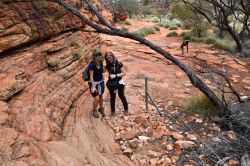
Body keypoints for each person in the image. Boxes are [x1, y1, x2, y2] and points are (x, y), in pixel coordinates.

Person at [105, 52, 128, 116]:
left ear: (113, 56)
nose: (109, 59)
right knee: (112, 97)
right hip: (112, 83)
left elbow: (124, 73)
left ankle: (126, 109)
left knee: (121, 95)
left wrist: (116, 75)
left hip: (119, 82)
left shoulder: (119, 64)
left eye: (110, 57)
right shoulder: (108, 66)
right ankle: (113, 111)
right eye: (107, 58)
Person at [88, 49, 105, 118]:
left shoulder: (100, 63)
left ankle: (101, 108)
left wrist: (107, 69)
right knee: (96, 99)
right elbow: (91, 76)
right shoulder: (91, 65)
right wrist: (93, 86)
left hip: (101, 82)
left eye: (99, 55)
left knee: (101, 96)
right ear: (94, 56)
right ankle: (94, 110)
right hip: (93, 83)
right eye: (96, 55)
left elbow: (102, 71)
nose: (98, 56)